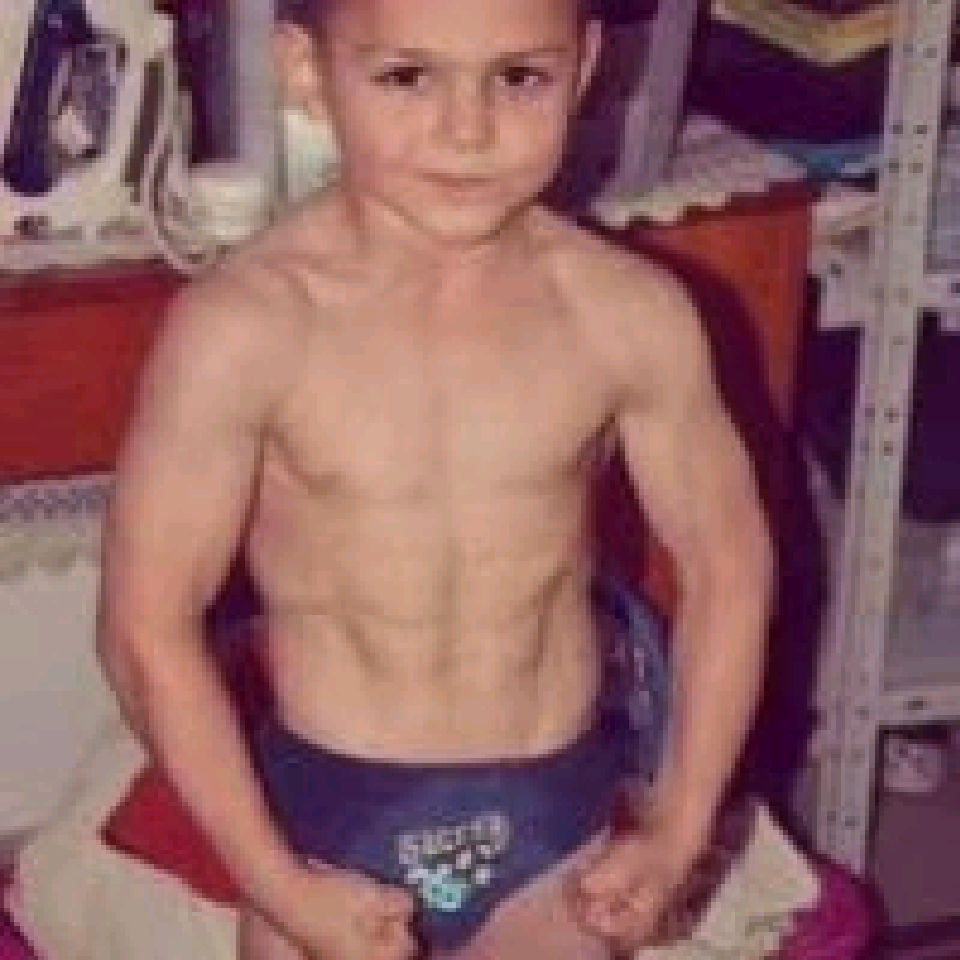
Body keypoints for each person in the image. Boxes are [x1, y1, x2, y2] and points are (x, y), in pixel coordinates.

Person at [97, 0, 774, 957]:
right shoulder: (246, 327)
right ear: (305, 71)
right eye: (407, 76)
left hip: (554, 813)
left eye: (519, 77)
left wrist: (680, 825)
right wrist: (275, 882)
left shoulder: (626, 312)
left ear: (584, 66)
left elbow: (729, 568)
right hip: (321, 823)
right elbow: (145, 626)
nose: (468, 130)